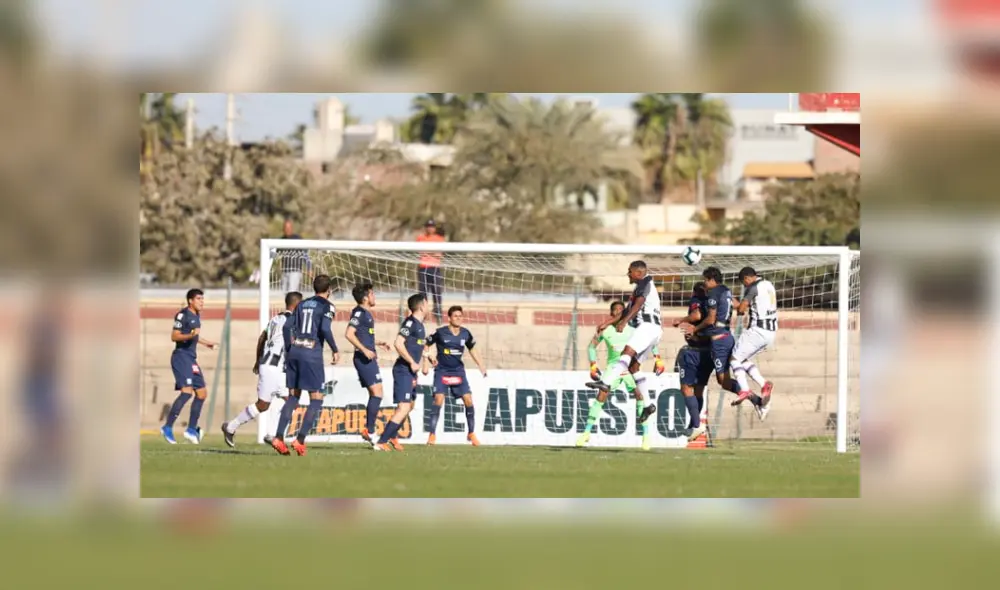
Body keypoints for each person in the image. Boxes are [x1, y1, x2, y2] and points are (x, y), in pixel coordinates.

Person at [578, 300, 666, 450]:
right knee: (601, 395)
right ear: (611, 313)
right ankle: (586, 433)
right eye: (615, 310)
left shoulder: (633, 329)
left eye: (621, 310)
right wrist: (593, 365)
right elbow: (592, 347)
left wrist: (658, 359)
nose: (618, 312)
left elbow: (652, 343)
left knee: (640, 396)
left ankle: (646, 437)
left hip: (630, 368)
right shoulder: (605, 331)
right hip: (613, 368)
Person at [221, 291, 303, 448]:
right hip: (275, 368)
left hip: (271, 366)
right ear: (297, 305)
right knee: (271, 404)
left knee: (279, 402)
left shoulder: (275, 319)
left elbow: (261, 338)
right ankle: (236, 428)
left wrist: (258, 361)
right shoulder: (291, 321)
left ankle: (265, 433)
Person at [584, 260, 660, 426]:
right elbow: (626, 310)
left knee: (626, 353)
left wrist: (625, 322)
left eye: (630, 271)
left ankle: (606, 382)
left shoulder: (644, 282)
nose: (628, 274)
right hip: (653, 331)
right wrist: (608, 322)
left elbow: (638, 306)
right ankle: (648, 405)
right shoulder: (640, 286)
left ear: (638, 273)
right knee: (633, 367)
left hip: (647, 326)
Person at [271, 275, 339, 456]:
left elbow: (287, 328)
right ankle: (300, 440)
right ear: (329, 290)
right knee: (316, 398)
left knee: (293, 396)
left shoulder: (302, 304)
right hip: (311, 353)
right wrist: (335, 349)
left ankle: (278, 437)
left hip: (294, 351)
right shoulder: (328, 306)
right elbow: (325, 328)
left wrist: (289, 348)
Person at [683, 267, 763, 413]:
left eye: (706, 280)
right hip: (726, 336)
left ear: (711, 280)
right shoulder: (726, 290)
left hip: (719, 342)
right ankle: (756, 398)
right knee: (727, 375)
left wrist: (694, 329)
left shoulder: (713, 293)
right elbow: (739, 306)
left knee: (724, 381)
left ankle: (757, 400)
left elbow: (710, 319)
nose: (705, 283)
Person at [161, 289, 219, 445]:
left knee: (201, 393)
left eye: (203, 299)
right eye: (199, 299)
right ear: (190, 301)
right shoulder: (183, 315)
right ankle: (167, 427)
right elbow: (175, 336)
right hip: (181, 357)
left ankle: (191, 430)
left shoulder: (196, 316)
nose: (202, 301)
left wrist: (206, 343)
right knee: (186, 392)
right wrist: (191, 336)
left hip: (191, 359)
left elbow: (194, 335)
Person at [424, 306, 487, 446]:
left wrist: (481, 365)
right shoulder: (440, 332)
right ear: (449, 318)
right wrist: (429, 357)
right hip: (442, 371)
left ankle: (471, 433)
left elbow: (473, 349)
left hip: (458, 371)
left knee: (468, 400)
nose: (458, 318)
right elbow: (425, 344)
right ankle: (432, 435)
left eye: (460, 316)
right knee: (439, 400)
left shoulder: (465, 333)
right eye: (455, 316)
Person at [374, 293, 429, 452]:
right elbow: (398, 343)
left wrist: (426, 357)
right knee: (403, 407)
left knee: (410, 405)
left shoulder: (420, 325)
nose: (428, 306)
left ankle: (392, 435)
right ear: (421, 306)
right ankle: (382, 441)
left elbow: (416, 346)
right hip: (403, 370)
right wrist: (412, 362)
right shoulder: (410, 322)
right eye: (426, 303)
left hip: (411, 372)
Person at [344, 281, 392, 446]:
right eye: (372, 293)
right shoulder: (358, 313)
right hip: (363, 358)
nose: (374, 296)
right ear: (365, 298)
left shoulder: (366, 314)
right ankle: (370, 430)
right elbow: (349, 334)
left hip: (368, 357)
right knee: (377, 393)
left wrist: (377, 343)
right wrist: (364, 350)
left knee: (376, 393)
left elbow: (363, 335)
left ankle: (369, 430)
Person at [729, 267, 777, 417]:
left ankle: (744, 389)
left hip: (758, 330)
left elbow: (742, 309)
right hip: (771, 331)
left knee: (734, 359)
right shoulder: (769, 284)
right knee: (742, 359)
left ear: (747, 278)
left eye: (744, 283)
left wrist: (736, 306)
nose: (745, 286)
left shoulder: (753, 287)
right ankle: (764, 385)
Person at [673, 282, 714, 440]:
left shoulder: (697, 300)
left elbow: (696, 315)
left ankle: (697, 425)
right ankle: (693, 425)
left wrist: (681, 320)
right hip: (708, 351)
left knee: (686, 388)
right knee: (698, 390)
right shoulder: (712, 304)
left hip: (694, 352)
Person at [416, 219, 445, 324]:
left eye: (432, 226)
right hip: (423, 267)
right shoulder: (420, 238)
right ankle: (422, 315)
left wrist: (428, 252)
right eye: (428, 226)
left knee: (437, 292)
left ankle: (438, 315)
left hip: (435, 268)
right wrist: (431, 252)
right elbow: (420, 252)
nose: (430, 228)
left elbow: (439, 254)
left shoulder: (439, 239)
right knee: (423, 293)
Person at [279, 219, 309, 294]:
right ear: (283, 229)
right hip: (285, 271)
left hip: (295, 270)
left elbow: (305, 253)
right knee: (285, 294)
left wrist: (309, 267)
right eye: (286, 228)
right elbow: (276, 253)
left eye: (289, 228)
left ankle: (295, 305)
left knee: (292, 293)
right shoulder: (281, 240)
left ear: (292, 228)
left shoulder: (298, 238)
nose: (287, 229)